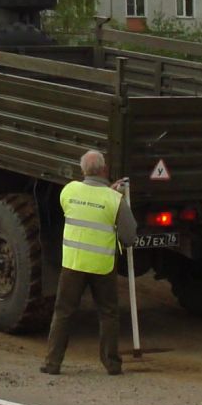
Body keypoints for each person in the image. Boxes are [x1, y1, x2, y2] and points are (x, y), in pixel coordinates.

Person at [41, 150, 136, 376]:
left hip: (73, 264)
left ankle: (52, 363)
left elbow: (82, 207)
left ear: (83, 170)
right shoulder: (114, 200)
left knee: (63, 312)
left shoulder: (69, 191)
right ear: (104, 170)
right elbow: (129, 236)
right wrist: (112, 195)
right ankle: (112, 364)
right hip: (102, 266)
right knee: (108, 313)